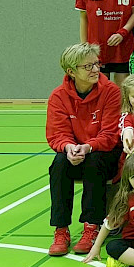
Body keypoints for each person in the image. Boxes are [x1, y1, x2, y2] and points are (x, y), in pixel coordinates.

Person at [46, 43, 122, 256]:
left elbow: (109, 135)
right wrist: (68, 147)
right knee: (59, 163)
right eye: (88, 66)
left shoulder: (110, 91)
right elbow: (56, 134)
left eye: (96, 64)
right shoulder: (58, 96)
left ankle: (91, 226)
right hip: (74, 153)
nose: (95, 69)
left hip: (103, 154)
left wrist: (87, 147)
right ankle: (61, 229)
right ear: (71, 71)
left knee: (94, 161)